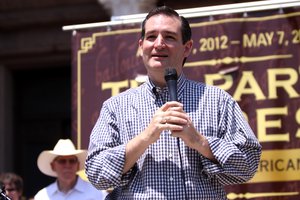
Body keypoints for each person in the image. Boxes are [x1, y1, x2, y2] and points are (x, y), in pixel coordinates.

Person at [85, 6, 262, 199]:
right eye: (151, 37)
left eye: (169, 37)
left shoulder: (218, 100)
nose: (159, 44)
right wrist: (146, 137)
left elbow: (249, 165)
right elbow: (96, 174)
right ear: (141, 45)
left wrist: (199, 141)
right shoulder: (115, 107)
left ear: (187, 47)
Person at [34, 139, 107, 200]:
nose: (67, 165)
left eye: (72, 161)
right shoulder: (42, 196)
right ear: (53, 166)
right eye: (62, 161)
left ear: (78, 165)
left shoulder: (98, 193)